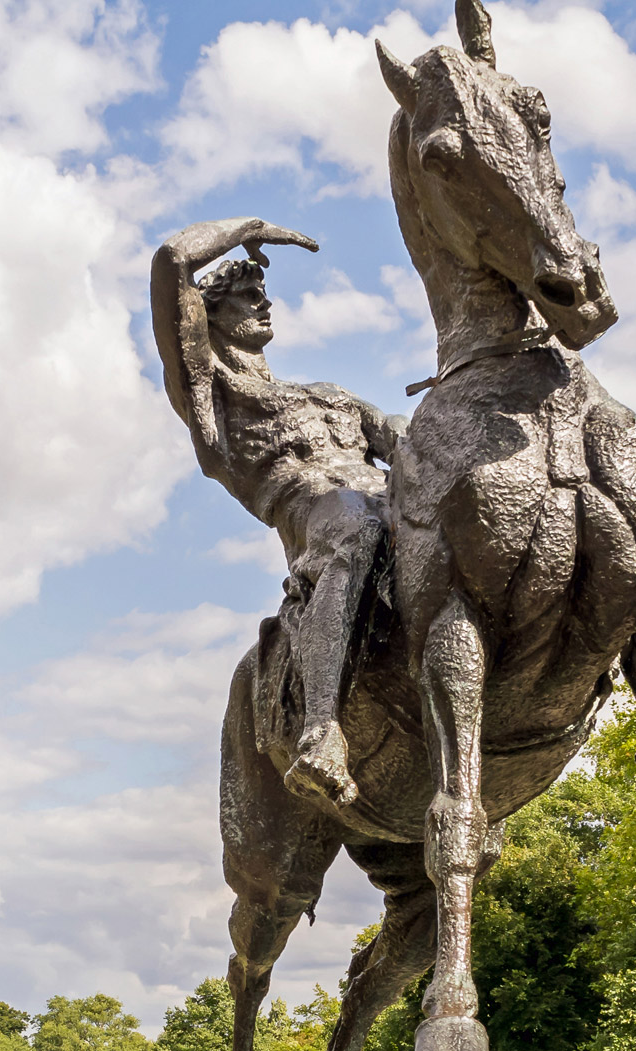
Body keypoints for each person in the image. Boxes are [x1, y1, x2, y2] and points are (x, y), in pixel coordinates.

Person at [151, 218, 403, 809]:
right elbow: (172, 265)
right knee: (354, 522)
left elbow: (401, 442)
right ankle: (321, 731)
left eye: (265, 295)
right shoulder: (213, 396)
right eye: (247, 296)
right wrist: (249, 229)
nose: (265, 305)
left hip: (392, 496)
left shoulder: (331, 393)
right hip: (316, 513)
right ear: (209, 315)